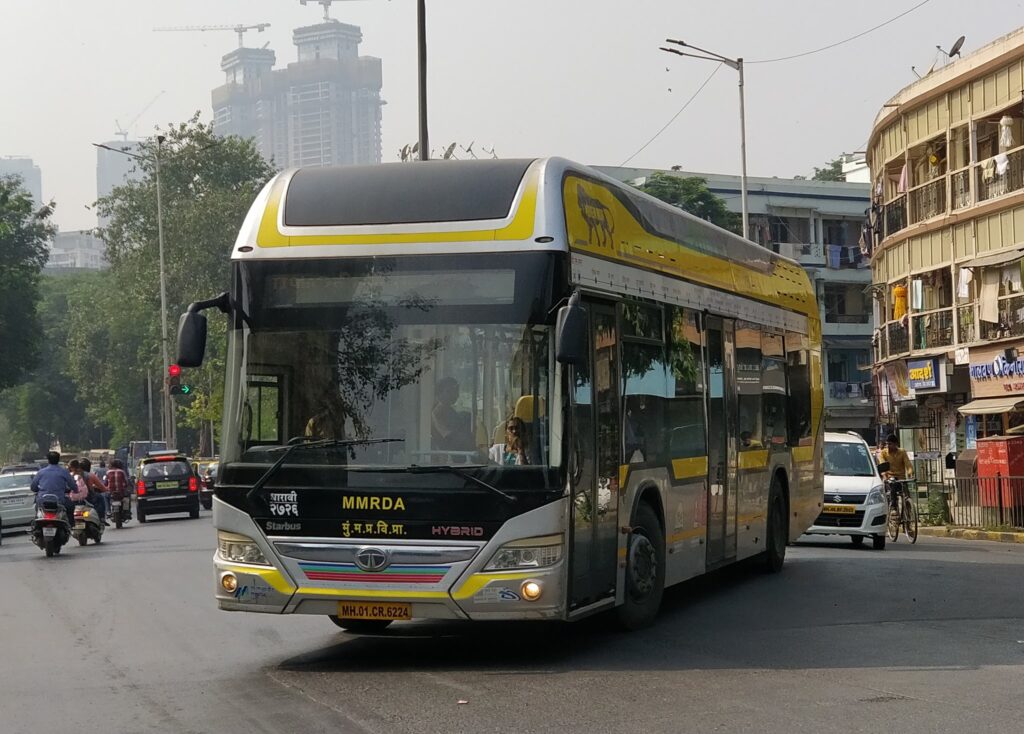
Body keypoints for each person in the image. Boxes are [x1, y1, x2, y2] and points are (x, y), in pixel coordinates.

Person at [30, 451, 77, 520]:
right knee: (71, 506)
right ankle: (71, 526)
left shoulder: (41, 472)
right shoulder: (64, 472)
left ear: (48, 460)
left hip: (42, 501)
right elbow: (74, 486)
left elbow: (33, 487)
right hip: (59, 501)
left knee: (37, 512)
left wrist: (40, 490)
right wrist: (75, 490)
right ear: (58, 460)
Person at [432, 377, 472, 451]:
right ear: (439, 393)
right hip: (448, 455)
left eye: (456, 391)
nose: (455, 395)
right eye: (449, 391)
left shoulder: (450, 410)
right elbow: (446, 435)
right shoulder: (437, 412)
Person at [879, 433, 913, 510]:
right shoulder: (883, 453)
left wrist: (910, 472)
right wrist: (884, 475)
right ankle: (893, 507)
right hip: (890, 477)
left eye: (890, 444)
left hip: (901, 477)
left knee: (906, 493)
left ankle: (909, 511)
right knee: (892, 489)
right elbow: (882, 465)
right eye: (887, 444)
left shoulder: (902, 452)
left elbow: (908, 464)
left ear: (896, 444)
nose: (888, 446)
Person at [80, 458, 109, 525]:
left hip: (76, 498)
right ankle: (101, 518)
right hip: (89, 498)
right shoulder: (91, 475)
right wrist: (106, 489)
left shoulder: (73, 475)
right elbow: (102, 488)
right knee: (101, 498)